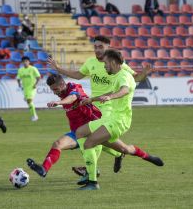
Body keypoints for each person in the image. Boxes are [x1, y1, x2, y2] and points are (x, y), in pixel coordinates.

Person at [48, 35, 152, 181]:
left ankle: (91, 173)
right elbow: (78, 75)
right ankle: (117, 154)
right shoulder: (91, 63)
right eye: (95, 47)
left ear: (108, 48)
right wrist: (59, 68)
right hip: (93, 106)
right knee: (92, 138)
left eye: (100, 47)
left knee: (90, 138)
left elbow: (134, 79)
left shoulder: (117, 65)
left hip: (109, 107)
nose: (97, 50)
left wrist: (144, 74)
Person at [75, 49, 164, 190]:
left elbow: (124, 90)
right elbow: (112, 91)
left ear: (113, 62)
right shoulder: (118, 75)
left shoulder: (123, 75)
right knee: (80, 132)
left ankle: (92, 182)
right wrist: (91, 99)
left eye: (105, 63)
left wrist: (110, 97)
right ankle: (145, 156)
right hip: (111, 118)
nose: (104, 66)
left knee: (89, 143)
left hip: (119, 120)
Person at [26, 74, 102, 178]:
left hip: (93, 127)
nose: (54, 92)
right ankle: (44, 169)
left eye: (56, 89)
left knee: (121, 149)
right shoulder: (61, 93)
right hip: (77, 132)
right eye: (52, 90)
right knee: (57, 144)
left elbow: (72, 98)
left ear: (62, 84)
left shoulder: (75, 88)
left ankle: (115, 157)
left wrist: (58, 102)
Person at [17, 56, 41, 121]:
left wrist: (35, 84)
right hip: (25, 89)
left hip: (32, 88)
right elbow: (18, 78)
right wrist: (19, 84)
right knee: (29, 102)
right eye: (24, 61)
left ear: (29, 62)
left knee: (29, 100)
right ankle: (33, 115)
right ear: (22, 62)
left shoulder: (33, 69)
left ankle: (34, 116)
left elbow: (38, 77)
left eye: (26, 61)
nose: (25, 62)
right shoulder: (20, 70)